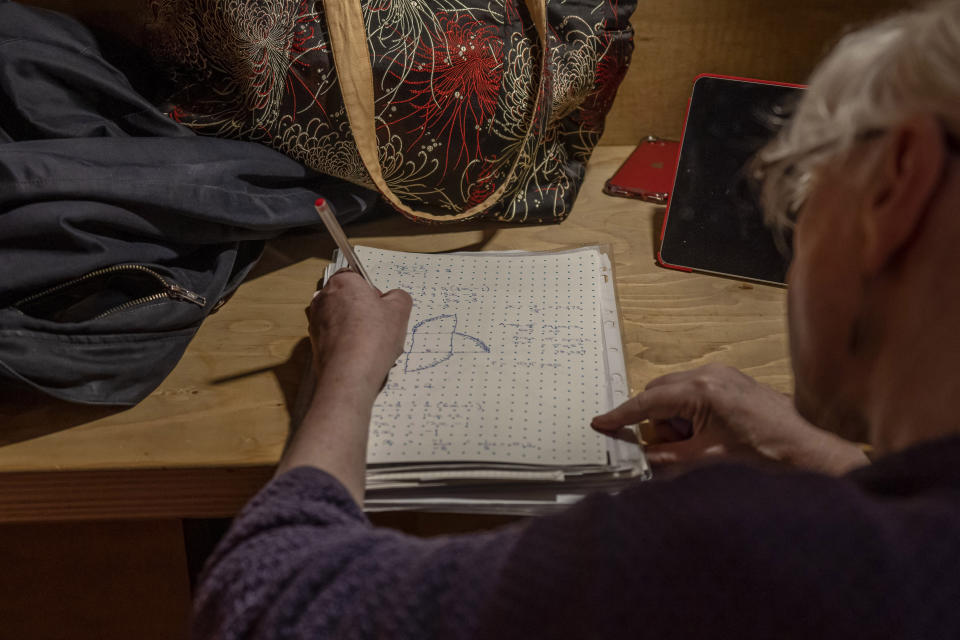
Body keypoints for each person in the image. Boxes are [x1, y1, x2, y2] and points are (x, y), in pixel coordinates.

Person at [193, 2, 960, 638]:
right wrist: (834, 463)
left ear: (898, 183)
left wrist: (348, 370)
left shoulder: (738, 547)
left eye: (799, 191)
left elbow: (265, 602)